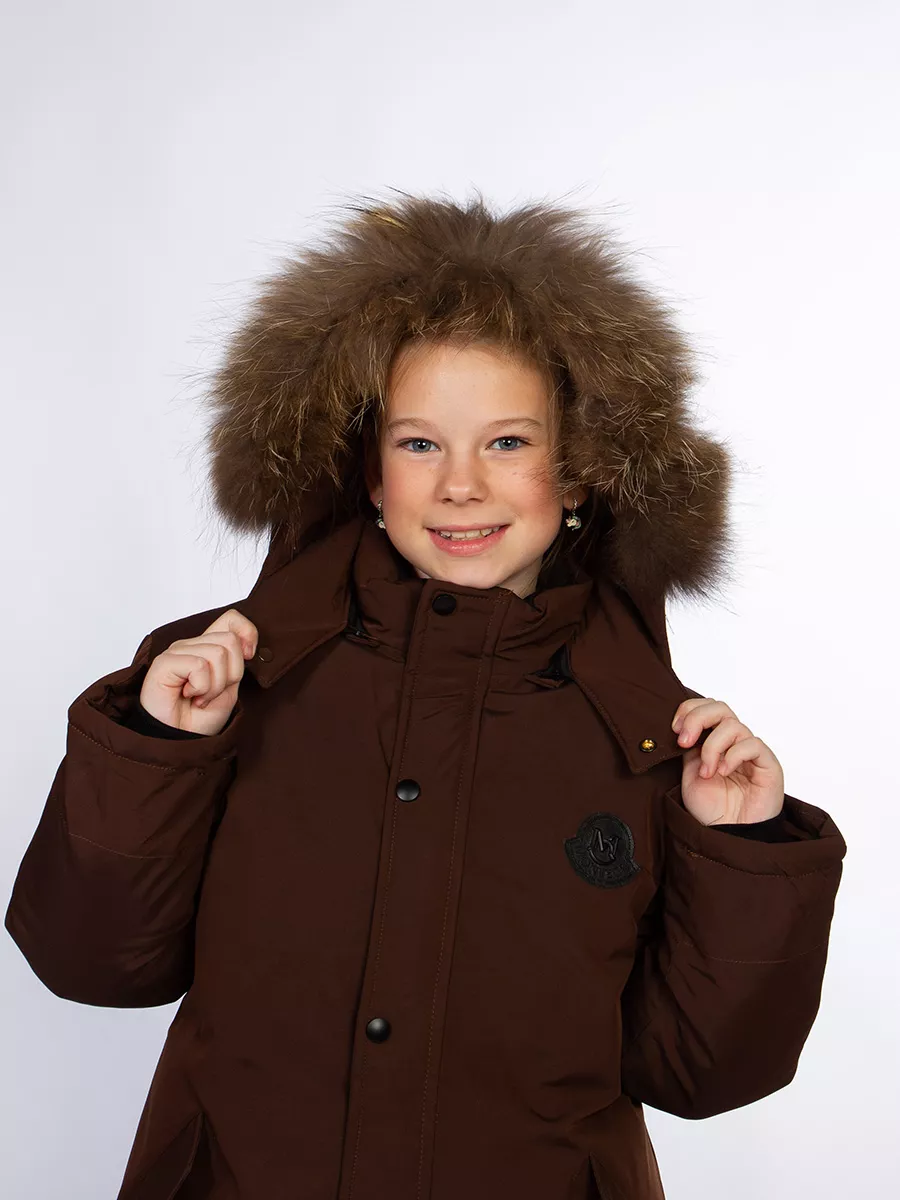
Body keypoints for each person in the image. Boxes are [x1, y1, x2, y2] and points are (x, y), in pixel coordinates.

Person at [5, 191, 847, 1200]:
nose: (460, 485)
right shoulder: (230, 678)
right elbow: (93, 964)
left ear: (582, 471)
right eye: (419, 444)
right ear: (368, 472)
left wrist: (741, 851)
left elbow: (703, 1073)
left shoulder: (654, 737)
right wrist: (160, 748)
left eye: (508, 443)